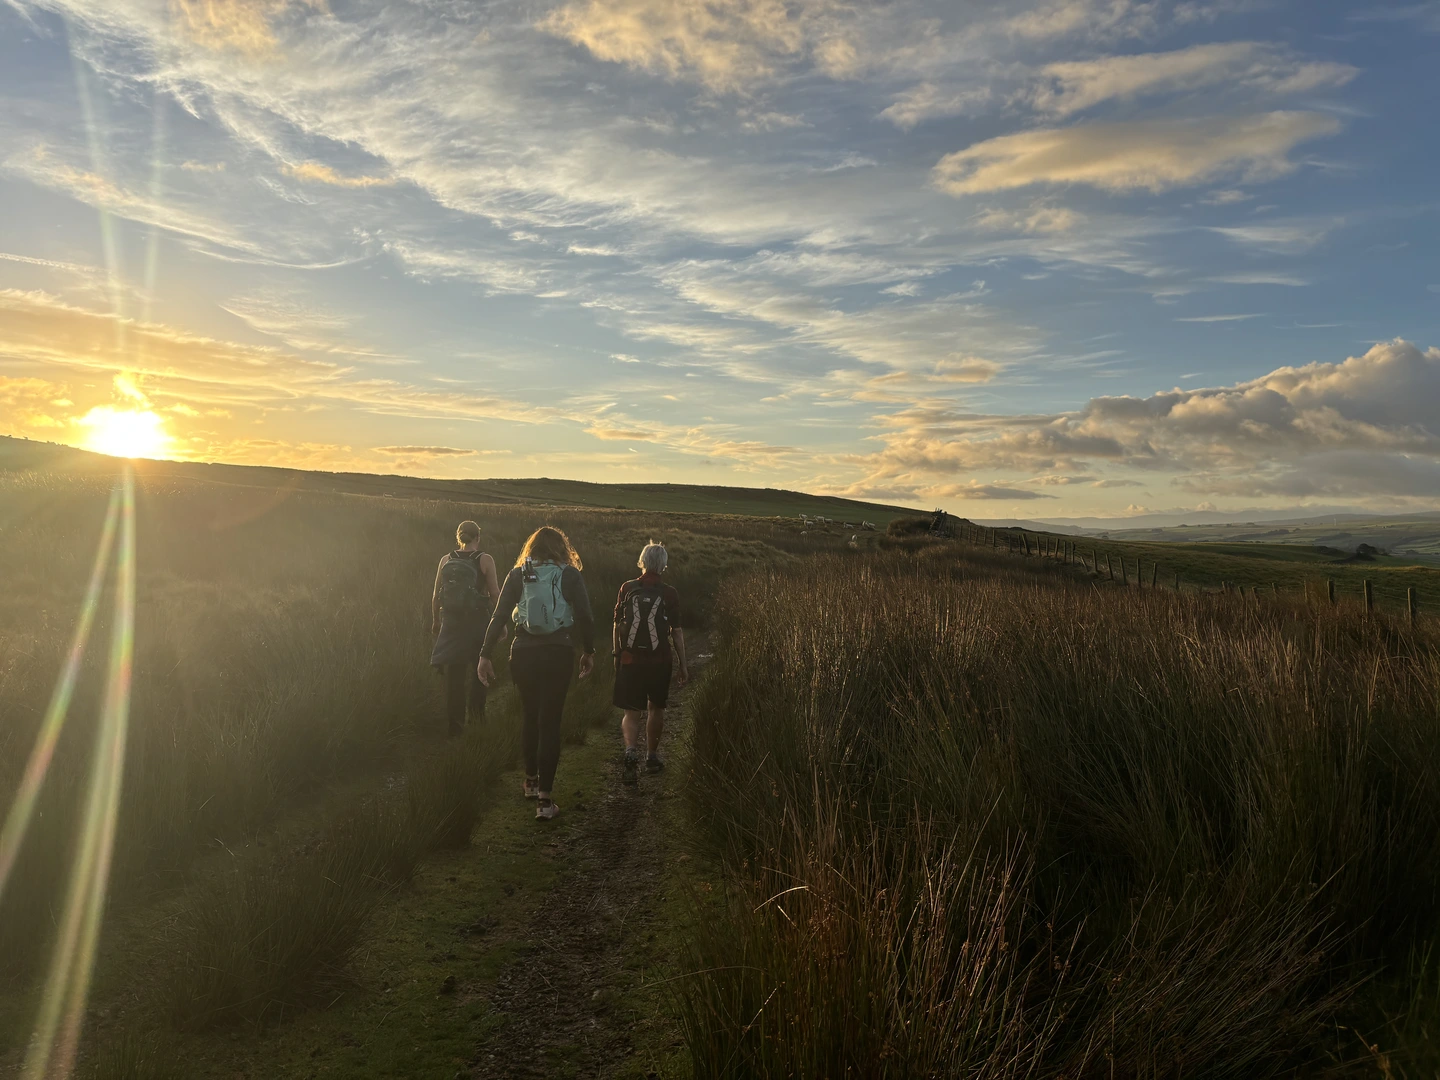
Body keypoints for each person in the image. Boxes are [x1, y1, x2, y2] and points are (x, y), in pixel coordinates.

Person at [478, 526, 595, 820]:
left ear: (531, 547)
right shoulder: (569, 574)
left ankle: (530, 782)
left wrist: (484, 654)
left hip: (523, 653)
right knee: (550, 721)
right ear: (561, 548)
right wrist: (589, 651)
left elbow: (500, 615)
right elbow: (585, 616)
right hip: (558, 653)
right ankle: (545, 802)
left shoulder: (518, 574)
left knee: (530, 715)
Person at [612, 541, 688, 784]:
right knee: (656, 708)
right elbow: (676, 631)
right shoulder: (670, 592)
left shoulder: (626, 588)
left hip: (629, 659)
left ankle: (630, 752)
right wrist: (683, 664)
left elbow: (616, 624)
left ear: (642, 561)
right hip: (660, 660)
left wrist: (617, 656)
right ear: (663, 564)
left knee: (631, 712)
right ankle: (652, 757)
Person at [430, 520, 500, 737]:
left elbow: (435, 596)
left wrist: (436, 621)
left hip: (451, 624)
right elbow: (495, 593)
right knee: (480, 671)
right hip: (478, 623)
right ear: (477, 537)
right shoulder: (485, 560)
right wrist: (501, 622)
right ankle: (478, 720)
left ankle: (455, 726)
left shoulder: (446, 559)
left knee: (455, 676)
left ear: (458, 537)